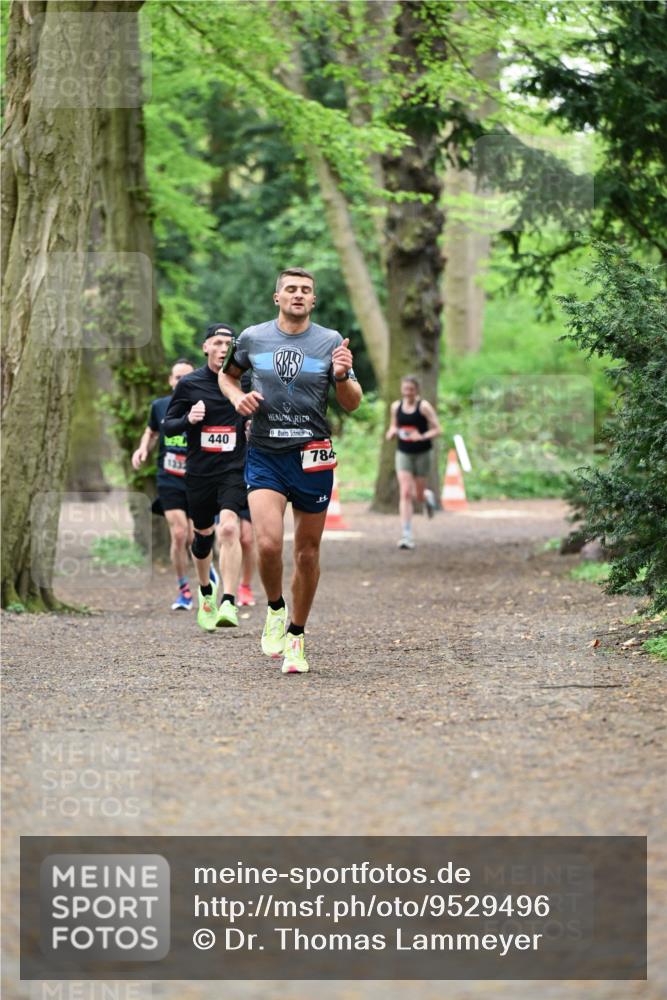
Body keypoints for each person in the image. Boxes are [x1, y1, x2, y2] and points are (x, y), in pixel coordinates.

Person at [219, 267, 362, 674]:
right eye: (291, 289)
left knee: (306, 551)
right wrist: (237, 397)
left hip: (311, 455)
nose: (298, 295)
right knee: (266, 544)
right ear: (276, 297)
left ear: (313, 300)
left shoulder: (331, 341)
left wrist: (341, 376)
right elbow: (226, 377)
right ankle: (276, 609)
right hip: (265, 453)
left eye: (306, 291)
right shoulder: (251, 337)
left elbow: (352, 401)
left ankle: (296, 636)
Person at [163, 325, 248, 632]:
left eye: (229, 343)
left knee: (228, 528)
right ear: (206, 348)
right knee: (202, 537)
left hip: (233, 469)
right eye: (218, 342)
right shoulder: (189, 384)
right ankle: (205, 591)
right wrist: (189, 419)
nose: (224, 347)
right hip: (199, 472)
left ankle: (228, 600)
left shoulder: (243, 380)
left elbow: (256, 413)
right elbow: (168, 425)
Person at [132, 358, 200, 610]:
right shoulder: (160, 406)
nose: (182, 382)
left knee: (197, 537)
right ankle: (183, 588)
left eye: (187, 377)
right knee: (180, 533)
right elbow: (151, 431)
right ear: (171, 381)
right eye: (177, 377)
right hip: (169, 476)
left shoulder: (203, 406)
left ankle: (206, 581)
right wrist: (142, 450)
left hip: (197, 478)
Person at [386, 374, 441, 550]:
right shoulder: (396, 407)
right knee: (405, 493)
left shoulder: (424, 407)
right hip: (403, 453)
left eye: (411, 389)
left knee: (418, 494)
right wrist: (392, 432)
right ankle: (406, 534)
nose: (408, 392)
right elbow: (394, 425)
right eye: (405, 389)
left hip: (422, 453)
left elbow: (438, 429)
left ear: (417, 390)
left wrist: (422, 436)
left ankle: (427, 496)